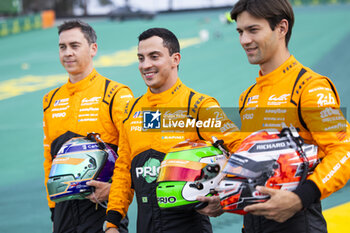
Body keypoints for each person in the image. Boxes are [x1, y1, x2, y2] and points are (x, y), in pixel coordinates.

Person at [198, 0, 350, 232]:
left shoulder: (310, 87)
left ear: (281, 28)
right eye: (240, 31)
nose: (244, 40)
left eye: (253, 30)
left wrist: (300, 198)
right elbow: (255, 168)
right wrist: (227, 198)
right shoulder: (248, 96)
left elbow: (344, 151)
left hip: (298, 223)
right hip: (251, 225)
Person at [104, 28, 241, 233]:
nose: (145, 65)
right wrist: (112, 222)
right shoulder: (131, 110)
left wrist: (224, 198)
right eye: (141, 58)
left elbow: (240, 151)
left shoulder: (198, 106)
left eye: (154, 56)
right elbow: (124, 169)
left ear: (175, 59)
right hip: (145, 225)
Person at [42, 20, 132, 233]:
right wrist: (53, 208)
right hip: (63, 213)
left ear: (93, 49)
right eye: (62, 47)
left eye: (75, 45)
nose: (68, 53)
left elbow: (133, 152)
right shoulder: (50, 99)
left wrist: (116, 190)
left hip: (103, 209)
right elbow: (49, 160)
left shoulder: (116, 94)